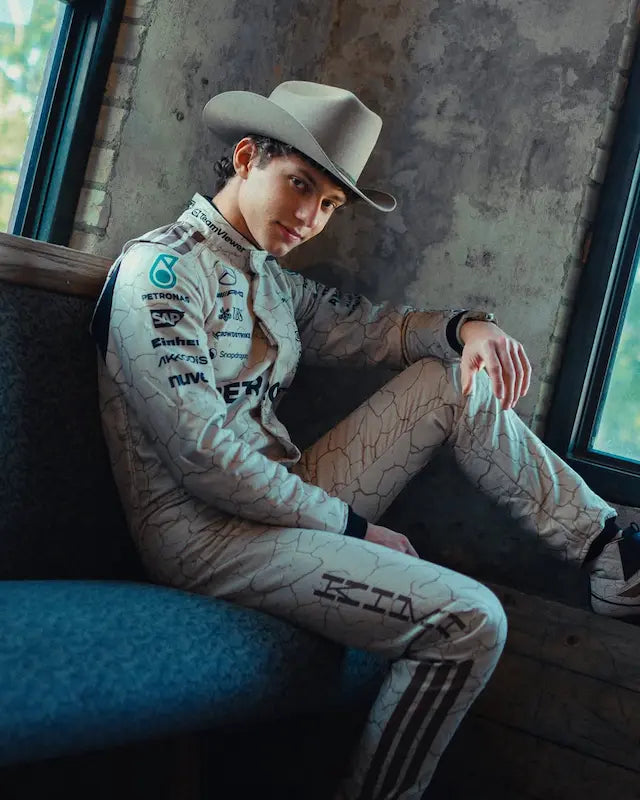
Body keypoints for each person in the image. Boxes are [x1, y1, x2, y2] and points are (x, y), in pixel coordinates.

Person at [91, 81, 640, 800]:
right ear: (247, 156)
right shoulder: (160, 272)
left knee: (448, 378)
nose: (311, 218)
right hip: (203, 538)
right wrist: (351, 528)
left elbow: (378, 329)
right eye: (300, 186)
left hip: (283, 502)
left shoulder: (270, 279)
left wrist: (471, 326)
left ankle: (610, 554)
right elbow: (204, 459)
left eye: (328, 205)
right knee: (471, 620)